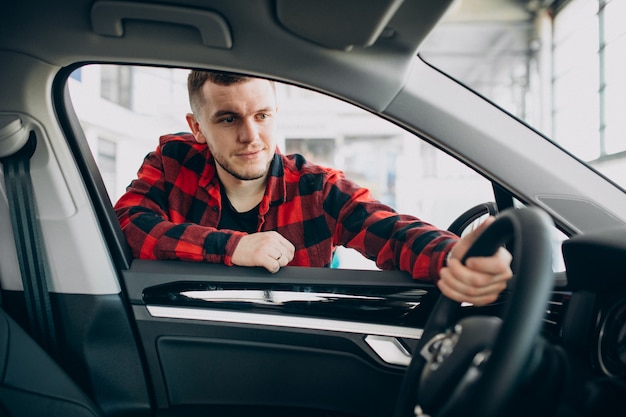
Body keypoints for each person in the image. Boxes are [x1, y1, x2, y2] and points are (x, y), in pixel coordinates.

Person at [114, 70, 512, 306]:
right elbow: (127, 226)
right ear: (198, 127)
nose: (251, 136)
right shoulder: (173, 161)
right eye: (229, 119)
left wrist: (456, 257)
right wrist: (232, 247)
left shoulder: (316, 189)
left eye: (262, 115)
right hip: (187, 346)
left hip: (293, 354)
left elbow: (391, 231)